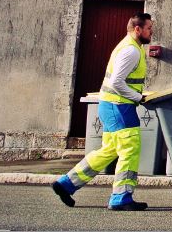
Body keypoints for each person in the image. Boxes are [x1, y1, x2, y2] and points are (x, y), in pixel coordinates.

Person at [52, 13, 153, 211]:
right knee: (129, 149)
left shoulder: (129, 46)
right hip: (119, 106)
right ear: (137, 29)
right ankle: (121, 197)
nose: (152, 32)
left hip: (112, 105)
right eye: (149, 28)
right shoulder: (131, 51)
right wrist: (137, 97)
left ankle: (66, 183)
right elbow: (116, 82)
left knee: (109, 151)